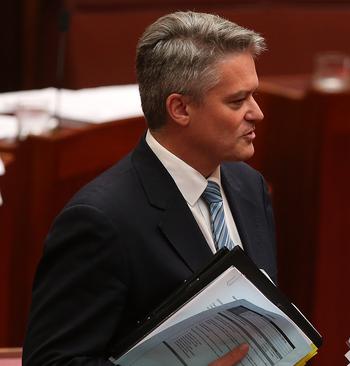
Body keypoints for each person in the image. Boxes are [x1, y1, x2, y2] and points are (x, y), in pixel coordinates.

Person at [23, 11, 276, 366]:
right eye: (237, 101)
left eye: (254, 96)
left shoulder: (249, 187)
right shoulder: (100, 220)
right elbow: (53, 362)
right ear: (180, 108)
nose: (257, 113)